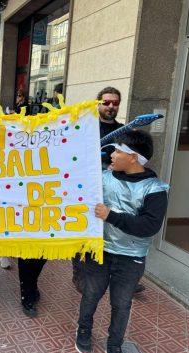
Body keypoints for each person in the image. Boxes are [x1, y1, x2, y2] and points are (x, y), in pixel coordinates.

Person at [75, 130, 169, 353]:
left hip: (131, 258)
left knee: (121, 304)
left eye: (118, 151)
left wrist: (111, 216)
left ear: (134, 157)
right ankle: (83, 330)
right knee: (91, 294)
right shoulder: (103, 178)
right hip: (100, 251)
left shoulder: (155, 189)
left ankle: (114, 346)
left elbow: (149, 226)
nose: (112, 154)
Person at [71, 86, 145, 295]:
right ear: (98, 104)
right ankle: (80, 274)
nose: (111, 106)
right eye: (107, 102)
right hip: (86, 188)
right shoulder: (85, 127)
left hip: (116, 190)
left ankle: (119, 276)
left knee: (112, 229)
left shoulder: (125, 131)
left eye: (115, 103)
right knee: (84, 228)